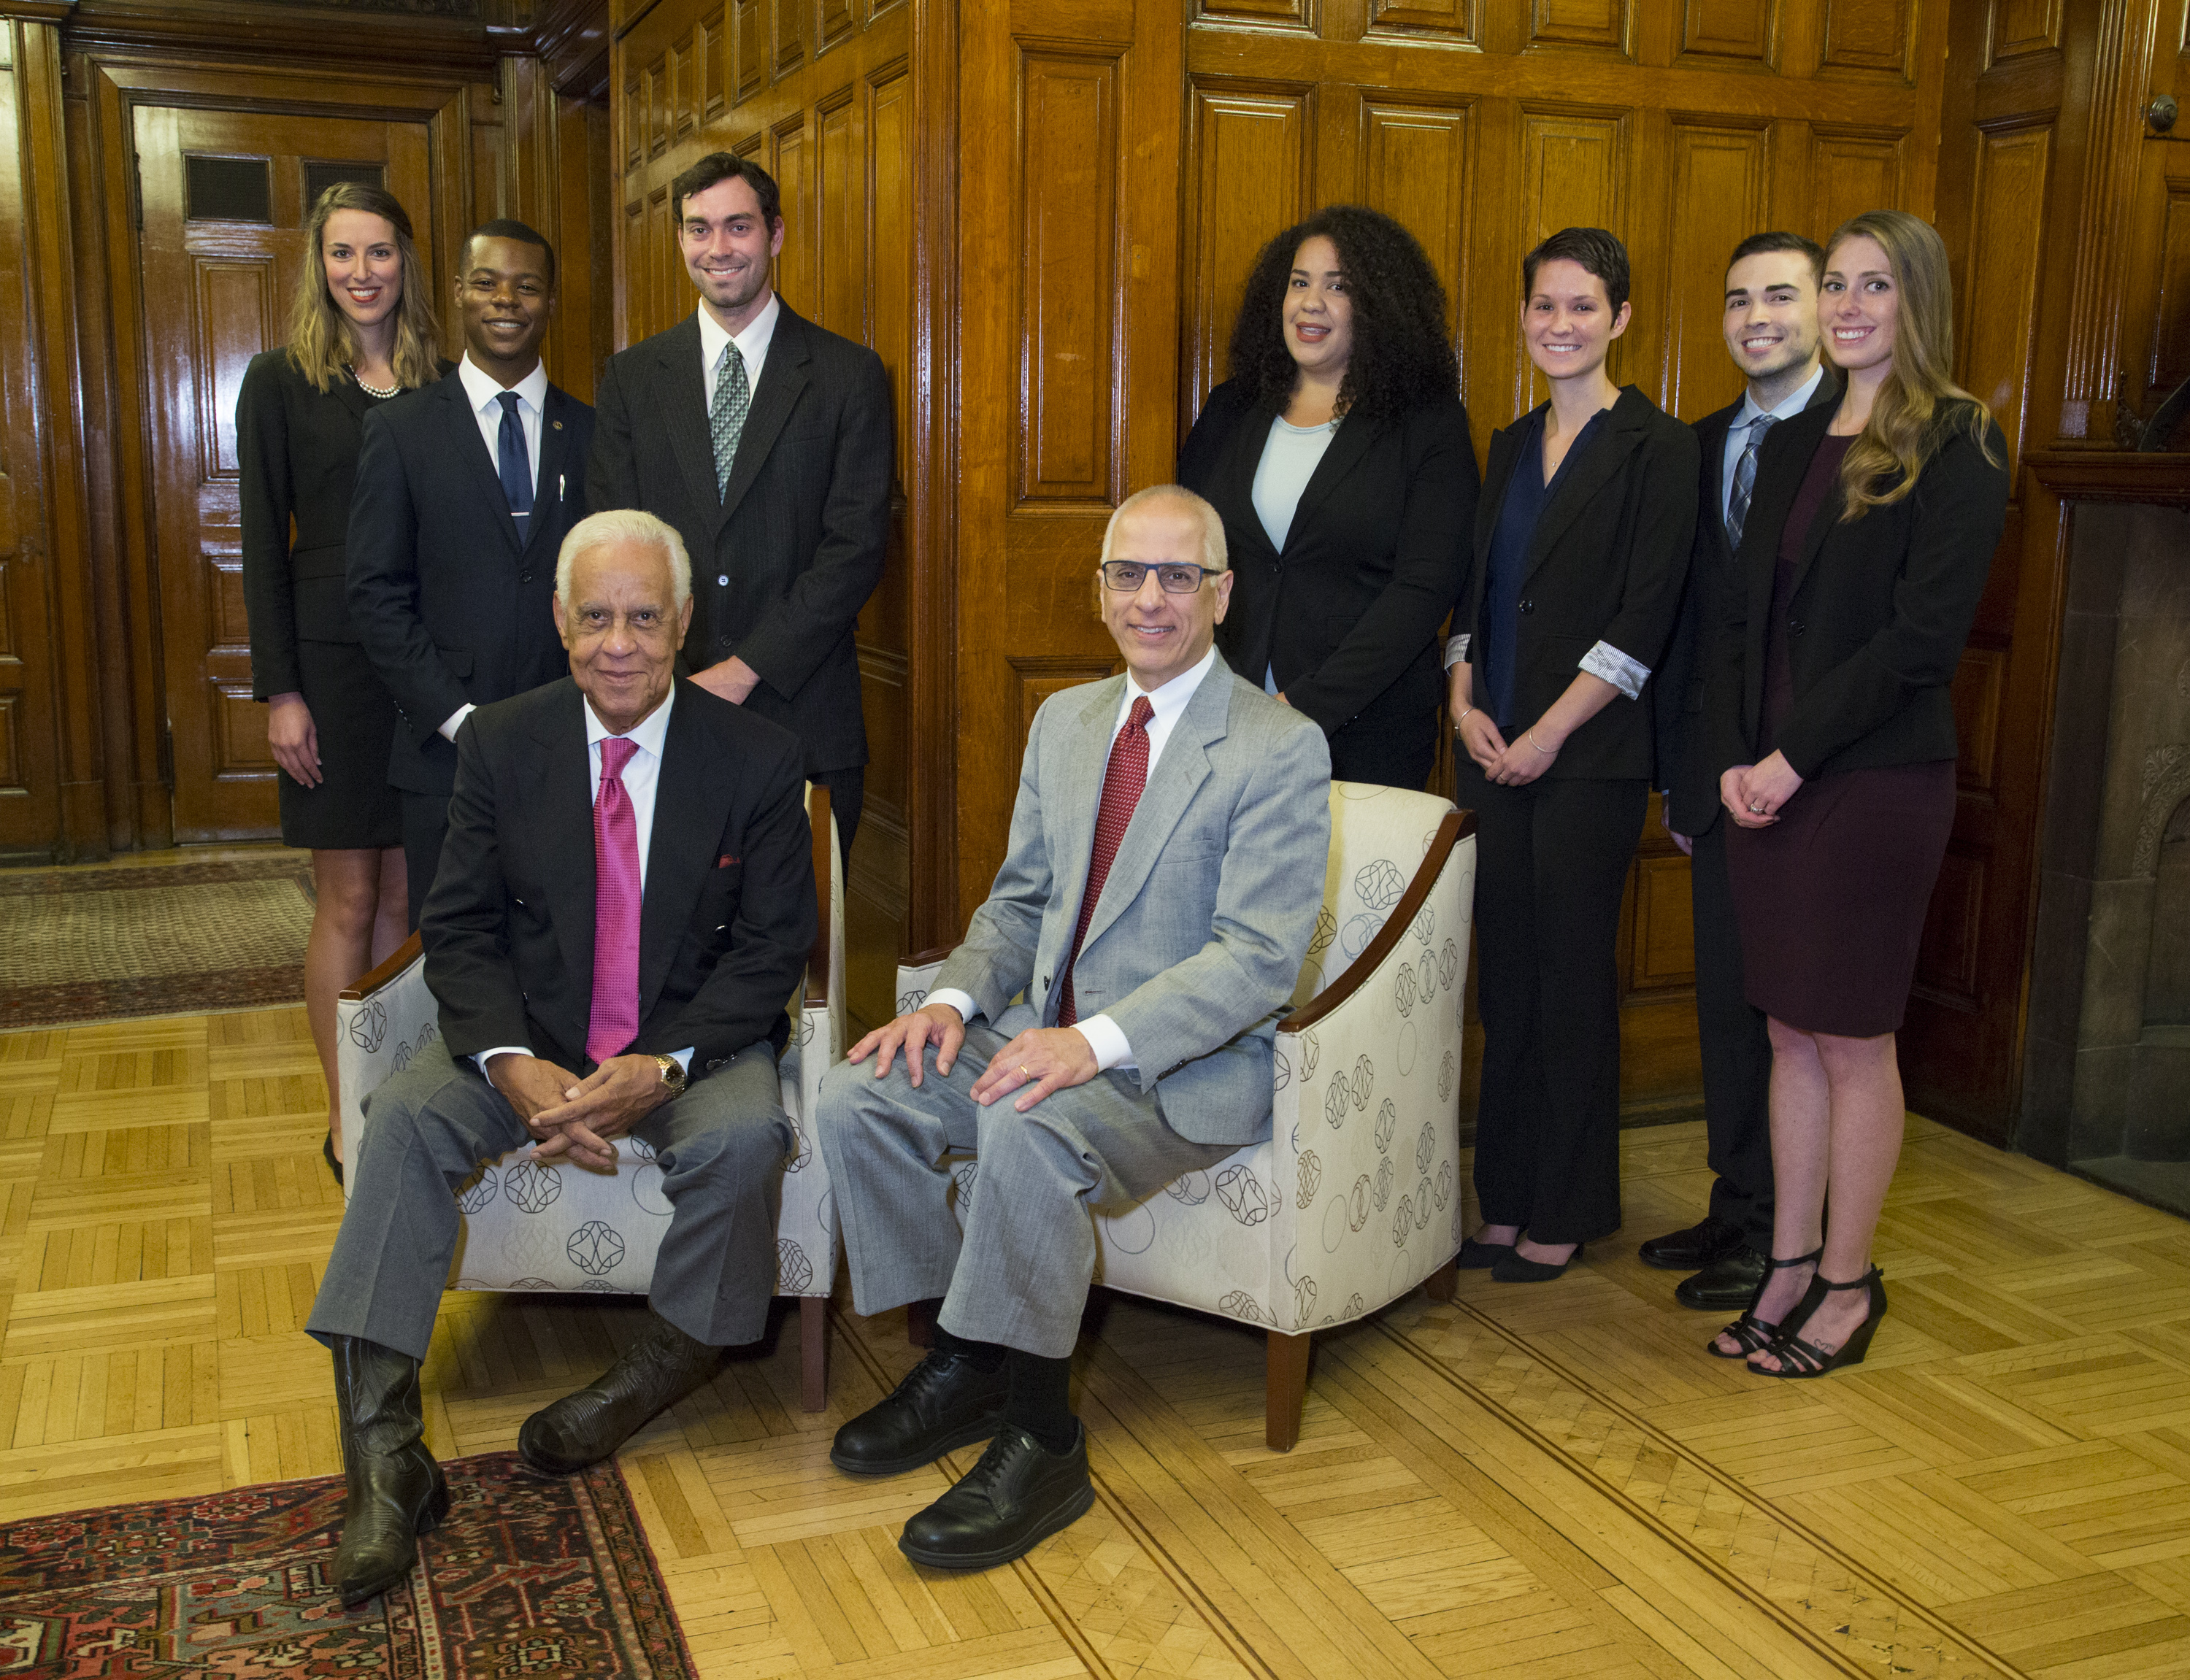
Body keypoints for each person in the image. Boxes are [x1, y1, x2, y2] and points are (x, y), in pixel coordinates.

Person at [306, 509, 817, 1608]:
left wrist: (664, 1064)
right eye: (595, 617)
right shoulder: (502, 740)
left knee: (743, 1139)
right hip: (530, 1034)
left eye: (643, 616)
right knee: (397, 1122)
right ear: (559, 621)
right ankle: (385, 1459)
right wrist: (504, 1062)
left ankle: (654, 1372)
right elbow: (464, 926)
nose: (618, 642)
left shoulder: (761, 757)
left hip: (691, 1039)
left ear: (683, 623)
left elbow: (777, 948)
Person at [814, 485, 1329, 1571]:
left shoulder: (1278, 746)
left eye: (1178, 575)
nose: (1151, 598)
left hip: (1172, 1074)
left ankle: (1043, 1435)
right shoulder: (1068, 722)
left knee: (1028, 1128)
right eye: (1128, 574)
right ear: (1098, 591)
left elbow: (1255, 960)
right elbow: (1018, 901)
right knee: (861, 1093)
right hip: (1035, 1037)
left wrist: (1088, 1043)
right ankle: (967, 1355)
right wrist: (950, 1002)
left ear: (1222, 594)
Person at [1706, 211, 2008, 1376]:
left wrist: (1790, 759)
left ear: (1915, 300)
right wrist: (1738, 756)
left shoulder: (1958, 437)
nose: (1847, 306)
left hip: (1871, 778)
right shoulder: (1791, 435)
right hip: (1769, 780)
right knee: (1788, 1028)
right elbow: (1745, 619)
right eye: (1837, 284)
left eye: (1874, 286)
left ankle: (1847, 1278)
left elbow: (1921, 641)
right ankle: (1786, 1260)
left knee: (1851, 1037)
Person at [1445, 228, 1698, 1283]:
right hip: (1489, 746)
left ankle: (1569, 1202)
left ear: (1622, 318)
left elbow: (1646, 617)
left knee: (1570, 979)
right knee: (1504, 981)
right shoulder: (1506, 443)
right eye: (1544, 306)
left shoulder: (1660, 445)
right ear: (1524, 317)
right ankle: (1502, 1196)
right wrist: (1460, 693)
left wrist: (1552, 729)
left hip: (1585, 759)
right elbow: (1477, 592)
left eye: (1582, 307)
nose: (1560, 325)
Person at [1640, 233, 1839, 1310]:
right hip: (1714, 785)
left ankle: (1784, 1236)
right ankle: (1736, 1205)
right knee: (1727, 1010)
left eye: (1779, 295)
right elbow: (1684, 630)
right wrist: (1683, 779)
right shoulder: (1703, 440)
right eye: (1737, 299)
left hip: (1805, 783)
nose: (1755, 315)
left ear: (1822, 308)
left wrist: (1789, 762)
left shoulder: (1849, 437)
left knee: (1791, 1018)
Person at [588, 153, 891, 858]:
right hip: (664, 709)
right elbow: (615, 541)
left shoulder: (848, 376)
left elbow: (854, 550)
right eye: (699, 230)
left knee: (807, 952)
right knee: (677, 948)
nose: (718, 249)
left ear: (775, 235)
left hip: (805, 717)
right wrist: (669, 672)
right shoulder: (633, 379)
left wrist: (745, 667)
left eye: (738, 227)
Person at [238, 182, 444, 1182]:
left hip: (425, 660)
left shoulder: (441, 378)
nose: (363, 272)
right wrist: (280, 690)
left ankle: (399, 1093)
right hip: (328, 665)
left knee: (412, 887)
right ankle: (343, 1113)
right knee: (349, 895)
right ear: (319, 266)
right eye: (342, 254)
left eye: (380, 253)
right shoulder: (278, 383)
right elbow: (260, 547)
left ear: (407, 263)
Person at [1177, 204, 1478, 788]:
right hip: (1223, 722)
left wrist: (1302, 705)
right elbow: (1187, 556)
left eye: (1338, 287)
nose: (1310, 302)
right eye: (1299, 282)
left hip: (1364, 732)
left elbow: (1423, 589)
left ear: (1379, 307)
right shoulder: (1229, 410)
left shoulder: (1428, 424)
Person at [347, 219, 594, 921]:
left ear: (550, 302)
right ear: (458, 293)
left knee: (564, 940)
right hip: (443, 751)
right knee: (452, 948)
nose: (505, 301)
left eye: (527, 287)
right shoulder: (401, 430)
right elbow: (374, 592)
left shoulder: (594, 432)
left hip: (571, 740)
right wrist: (458, 719)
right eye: (486, 283)